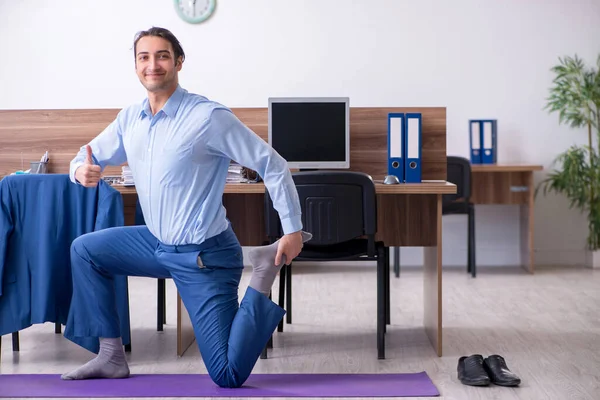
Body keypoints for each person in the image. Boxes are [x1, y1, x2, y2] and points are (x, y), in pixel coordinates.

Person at [62, 26, 311, 388]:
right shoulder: (129, 119)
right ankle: (111, 356)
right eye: (144, 57)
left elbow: (271, 163)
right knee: (84, 250)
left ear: (178, 61)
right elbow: (84, 157)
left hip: (203, 255)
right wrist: (78, 170)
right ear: (135, 67)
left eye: (162, 55)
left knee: (227, 375)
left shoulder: (207, 117)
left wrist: (291, 229)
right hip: (157, 244)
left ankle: (261, 269)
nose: (153, 65)